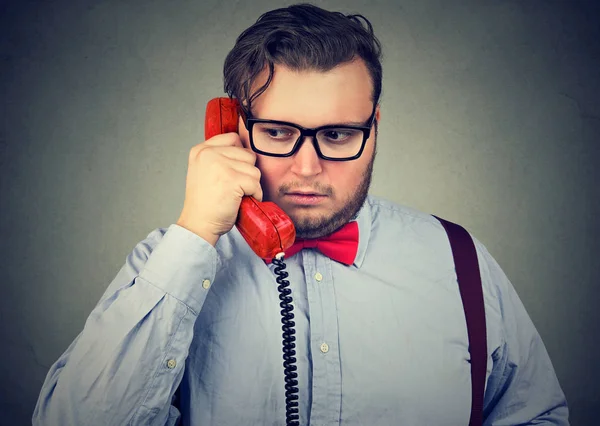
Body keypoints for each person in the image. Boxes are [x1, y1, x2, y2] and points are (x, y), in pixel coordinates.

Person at [33, 3, 569, 425]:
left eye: (338, 134)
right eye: (278, 133)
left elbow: (536, 416)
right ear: (233, 129)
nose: (308, 168)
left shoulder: (461, 261)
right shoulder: (167, 261)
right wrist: (195, 235)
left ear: (374, 127)